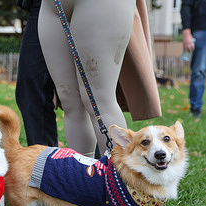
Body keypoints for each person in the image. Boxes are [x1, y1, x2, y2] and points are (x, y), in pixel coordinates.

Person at [38, 0, 161, 157]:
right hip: (52, 5)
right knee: (69, 99)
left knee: (99, 99)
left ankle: (118, 177)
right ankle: (83, 176)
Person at [15, 0, 58, 147]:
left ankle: (102, 163)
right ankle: (43, 158)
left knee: (85, 92)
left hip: (89, 5)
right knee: (29, 87)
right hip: (42, 5)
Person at [181, 0, 206, 119]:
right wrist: (186, 31)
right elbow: (186, 6)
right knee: (198, 71)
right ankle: (196, 109)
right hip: (200, 30)